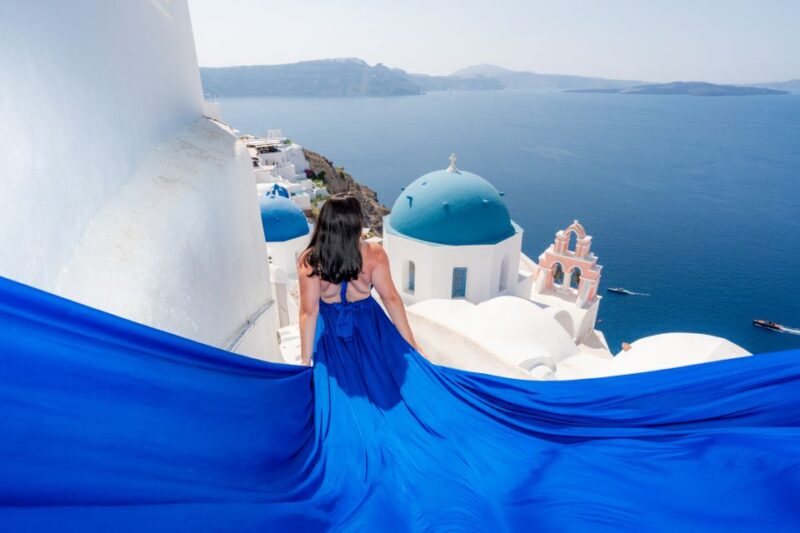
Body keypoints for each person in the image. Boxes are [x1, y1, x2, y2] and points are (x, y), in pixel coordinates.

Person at [297, 192, 420, 366]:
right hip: (371, 326)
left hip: (332, 331)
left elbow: (309, 312)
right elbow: (390, 298)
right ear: (355, 223)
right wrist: (410, 343)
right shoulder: (374, 253)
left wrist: (305, 360)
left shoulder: (310, 260)